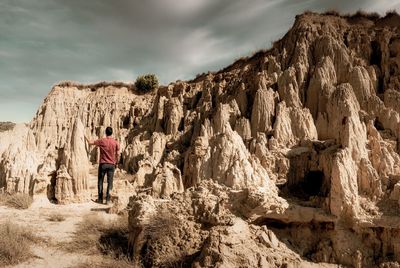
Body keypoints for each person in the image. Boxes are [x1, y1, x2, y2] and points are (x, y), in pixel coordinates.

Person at [85, 127, 120, 205]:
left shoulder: (102, 141)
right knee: (110, 182)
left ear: (105, 132)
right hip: (111, 165)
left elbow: (90, 142)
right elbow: (118, 154)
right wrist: (116, 162)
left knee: (100, 181)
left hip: (103, 164)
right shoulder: (115, 142)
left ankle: (100, 199)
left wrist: (85, 136)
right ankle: (108, 200)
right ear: (112, 133)